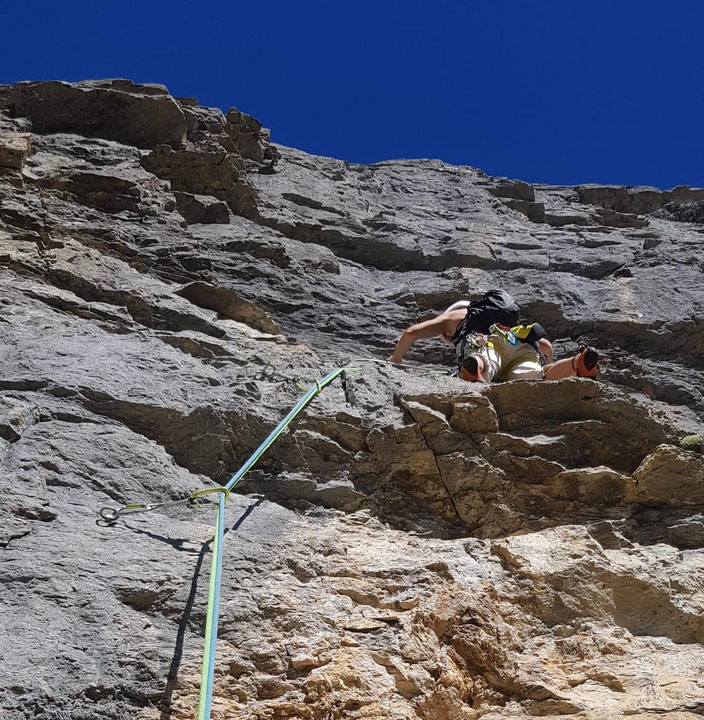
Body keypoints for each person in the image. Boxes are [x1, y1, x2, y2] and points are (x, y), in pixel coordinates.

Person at [389, 290, 599, 382]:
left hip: (490, 343)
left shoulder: (451, 319)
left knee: (486, 360)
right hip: (522, 345)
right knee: (539, 376)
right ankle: (577, 362)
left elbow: (411, 333)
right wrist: (547, 365)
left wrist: (396, 359)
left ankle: (475, 369)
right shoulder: (506, 322)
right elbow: (545, 345)